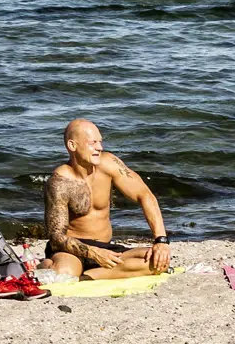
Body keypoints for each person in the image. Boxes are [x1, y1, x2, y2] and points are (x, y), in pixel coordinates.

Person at [41, 119, 171, 280]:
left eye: (100, 142)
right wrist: (94, 253)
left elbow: (145, 195)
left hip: (106, 248)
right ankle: (47, 265)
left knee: (159, 262)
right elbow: (56, 238)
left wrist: (161, 240)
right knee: (64, 272)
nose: (100, 148)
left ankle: (84, 278)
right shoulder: (60, 182)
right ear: (72, 145)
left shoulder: (109, 163)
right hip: (71, 250)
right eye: (93, 143)